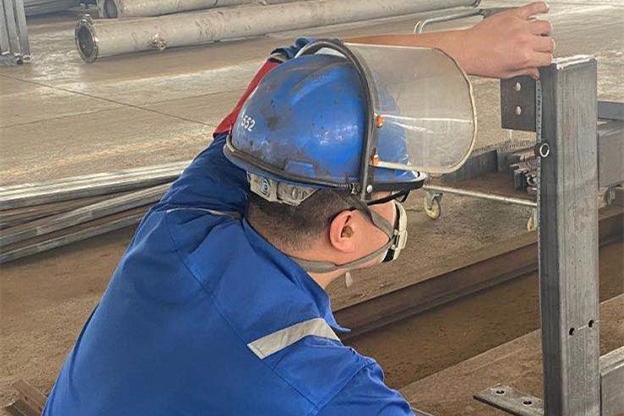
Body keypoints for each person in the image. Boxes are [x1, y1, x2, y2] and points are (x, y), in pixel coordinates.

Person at [43, 3, 554, 415]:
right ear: (345, 231)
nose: (402, 211)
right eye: (395, 196)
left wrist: (467, 47)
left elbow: (298, 64)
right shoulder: (320, 386)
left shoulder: (185, 217)